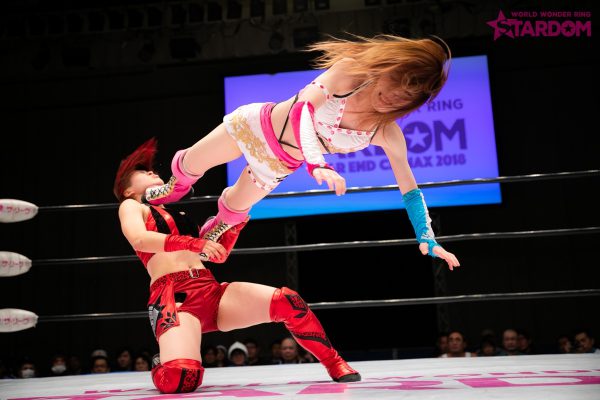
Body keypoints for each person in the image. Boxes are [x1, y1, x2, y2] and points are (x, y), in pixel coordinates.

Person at [143, 34, 460, 270]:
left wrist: (428, 237)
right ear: (389, 67)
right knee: (192, 162)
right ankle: (175, 186)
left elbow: (410, 190)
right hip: (255, 125)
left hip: (277, 163)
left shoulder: (387, 133)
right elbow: (303, 109)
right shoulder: (350, 73)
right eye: (396, 85)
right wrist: (316, 162)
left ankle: (217, 226)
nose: (392, 98)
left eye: (405, 97)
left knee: (235, 206)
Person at [114, 139, 361, 394]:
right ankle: (161, 364)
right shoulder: (131, 206)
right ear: (127, 190)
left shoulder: (180, 216)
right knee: (181, 378)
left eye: (150, 169)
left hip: (209, 290)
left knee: (288, 302)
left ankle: (334, 363)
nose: (152, 172)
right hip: (174, 298)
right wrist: (194, 243)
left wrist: (233, 228)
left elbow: (215, 256)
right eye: (142, 172)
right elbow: (140, 239)